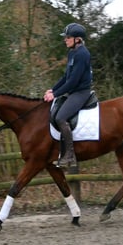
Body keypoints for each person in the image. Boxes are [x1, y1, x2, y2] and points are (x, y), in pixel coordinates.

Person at [44, 23, 93, 168]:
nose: (65, 39)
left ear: (77, 39)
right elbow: (66, 77)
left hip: (81, 92)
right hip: (73, 91)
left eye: (68, 37)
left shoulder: (83, 54)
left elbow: (73, 82)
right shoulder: (72, 53)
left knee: (60, 117)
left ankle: (70, 155)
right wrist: (52, 90)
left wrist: (56, 94)